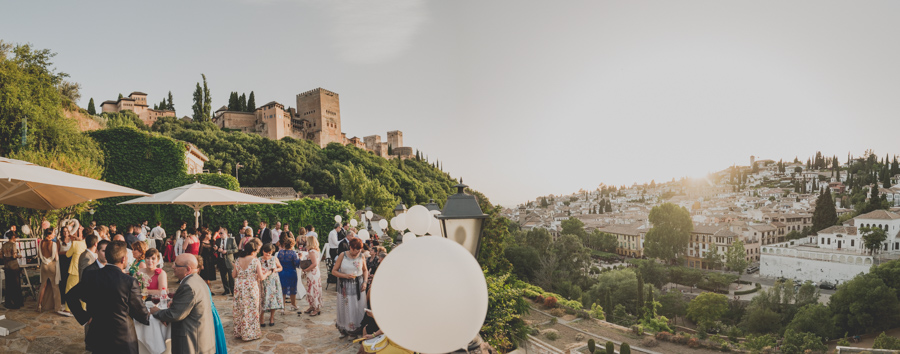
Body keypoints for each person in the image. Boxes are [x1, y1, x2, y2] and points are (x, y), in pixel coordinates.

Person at [67, 240, 151, 354]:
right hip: (123, 338)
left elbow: (70, 296)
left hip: (98, 335)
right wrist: (153, 314)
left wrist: (85, 317)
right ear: (123, 259)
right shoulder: (129, 282)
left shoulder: (91, 276)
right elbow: (141, 314)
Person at [149, 254, 216, 354]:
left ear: (188, 269)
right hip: (200, 338)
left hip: (191, 342)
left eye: (176, 265)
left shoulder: (188, 286)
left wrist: (156, 312)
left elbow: (175, 315)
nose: (172, 267)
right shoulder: (196, 280)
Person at [232, 238, 269, 341]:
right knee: (251, 309)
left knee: (240, 309)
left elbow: (234, 275)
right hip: (250, 287)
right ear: (253, 251)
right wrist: (268, 273)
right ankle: (250, 333)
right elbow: (261, 277)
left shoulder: (238, 259)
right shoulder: (255, 260)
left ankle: (240, 332)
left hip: (239, 286)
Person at [332, 237, 369, 339]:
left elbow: (365, 270)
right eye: (356, 250)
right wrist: (345, 276)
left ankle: (355, 330)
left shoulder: (361, 256)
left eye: (359, 250)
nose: (357, 252)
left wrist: (365, 282)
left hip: (359, 285)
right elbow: (334, 271)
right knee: (346, 307)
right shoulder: (342, 255)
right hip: (345, 286)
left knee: (358, 308)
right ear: (351, 248)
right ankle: (344, 329)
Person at [38, 228, 62, 313]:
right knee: (55, 287)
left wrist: (44, 260)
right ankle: (57, 307)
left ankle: (39, 305)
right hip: (52, 266)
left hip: (44, 266)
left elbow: (39, 254)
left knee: (43, 286)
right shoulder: (53, 244)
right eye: (53, 233)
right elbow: (56, 257)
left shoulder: (41, 242)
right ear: (50, 234)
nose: (54, 235)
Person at [259, 243, 283, 327]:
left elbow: (280, 268)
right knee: (263, 300)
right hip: (263, 282)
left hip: (273, 282)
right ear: (263, 251)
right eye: (266, 252)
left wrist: (275, 269)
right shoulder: (258, 259)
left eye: (270, 252)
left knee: (273, 300)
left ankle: (271, 318)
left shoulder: (274, 258)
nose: (268, 254)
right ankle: (261, 318)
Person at [64, 225, 87, 313]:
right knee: (84, 290)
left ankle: (68, 308)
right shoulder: (91, 244)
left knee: (69, 289)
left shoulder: (76, 243)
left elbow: (67, 255)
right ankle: (83, 308)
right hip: (86, 270)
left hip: (75, 270)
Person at [302, 234, 323, 316]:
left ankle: (316, 308)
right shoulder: (315, 251)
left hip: (312, 273)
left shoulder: (311, 252)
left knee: (314, 289)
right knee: (312, 288)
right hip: (314, 272)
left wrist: (306, 270)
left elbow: (314, 264)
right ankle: (312, 306)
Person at [277, 237, 300, 311]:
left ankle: (282, 307)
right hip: (291, 273)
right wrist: (300, 258)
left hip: (282, 273)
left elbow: (277, 263)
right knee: (292, 289)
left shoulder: (280, 252)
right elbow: (296, 264)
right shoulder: (293, 253)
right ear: (292, 245)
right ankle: (293, 305)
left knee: (283, 290)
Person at [2, 232, 24, 309]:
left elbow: (1, 256)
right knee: (16, 285)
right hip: (14, 266)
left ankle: (8, 302)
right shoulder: (13, 245)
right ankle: (17, 302)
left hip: (7, 266)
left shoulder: (4, 245)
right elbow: (14, 256)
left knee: (8, 285)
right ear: (13, 237)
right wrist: (19, 256)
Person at [215, 227, 237, 295]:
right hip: (221, 261)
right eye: (219, 233)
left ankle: (233, 291)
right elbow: (216, 249)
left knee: (231, 277)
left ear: (226, 233)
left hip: (229, 261)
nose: (220, 234)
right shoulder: (218, 240)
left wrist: (227, 251)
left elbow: (236, 249)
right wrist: (216, 249)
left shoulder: (231, 240)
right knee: (223, 277)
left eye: (221, 233)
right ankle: (226, 290)